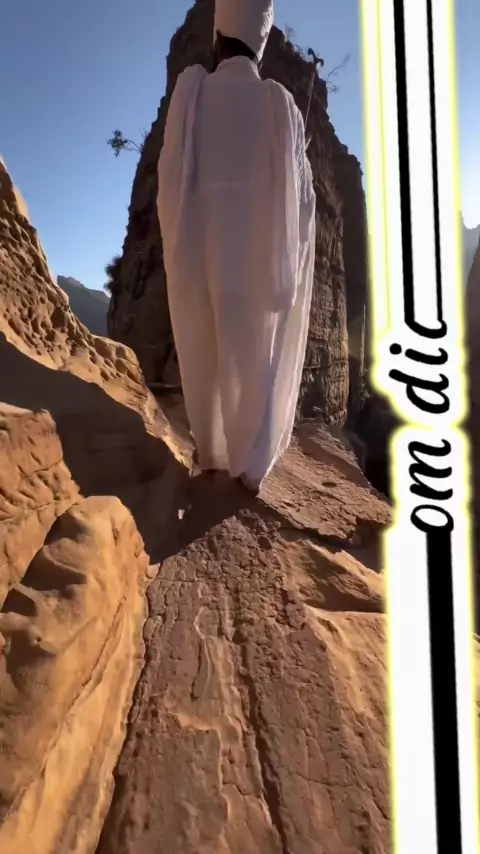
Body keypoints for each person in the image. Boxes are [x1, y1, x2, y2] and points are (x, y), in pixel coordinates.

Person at [157, 0, 316, 495]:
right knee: (252, 355)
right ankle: (248, 459)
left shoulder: (193, 90)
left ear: (218, 37)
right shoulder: (279, 105)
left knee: (203, 343)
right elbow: (302, 200)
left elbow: (170, 176)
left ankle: (210, 449)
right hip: (258, 262)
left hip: (200, 249)